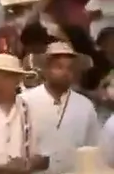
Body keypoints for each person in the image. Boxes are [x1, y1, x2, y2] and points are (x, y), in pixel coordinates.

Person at [20, 42, 99, 173]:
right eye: (59, 67)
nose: (65, 72)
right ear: (46, 69)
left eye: (70, 68)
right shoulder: (24, 101)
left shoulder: (86, 107)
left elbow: (93, 150)